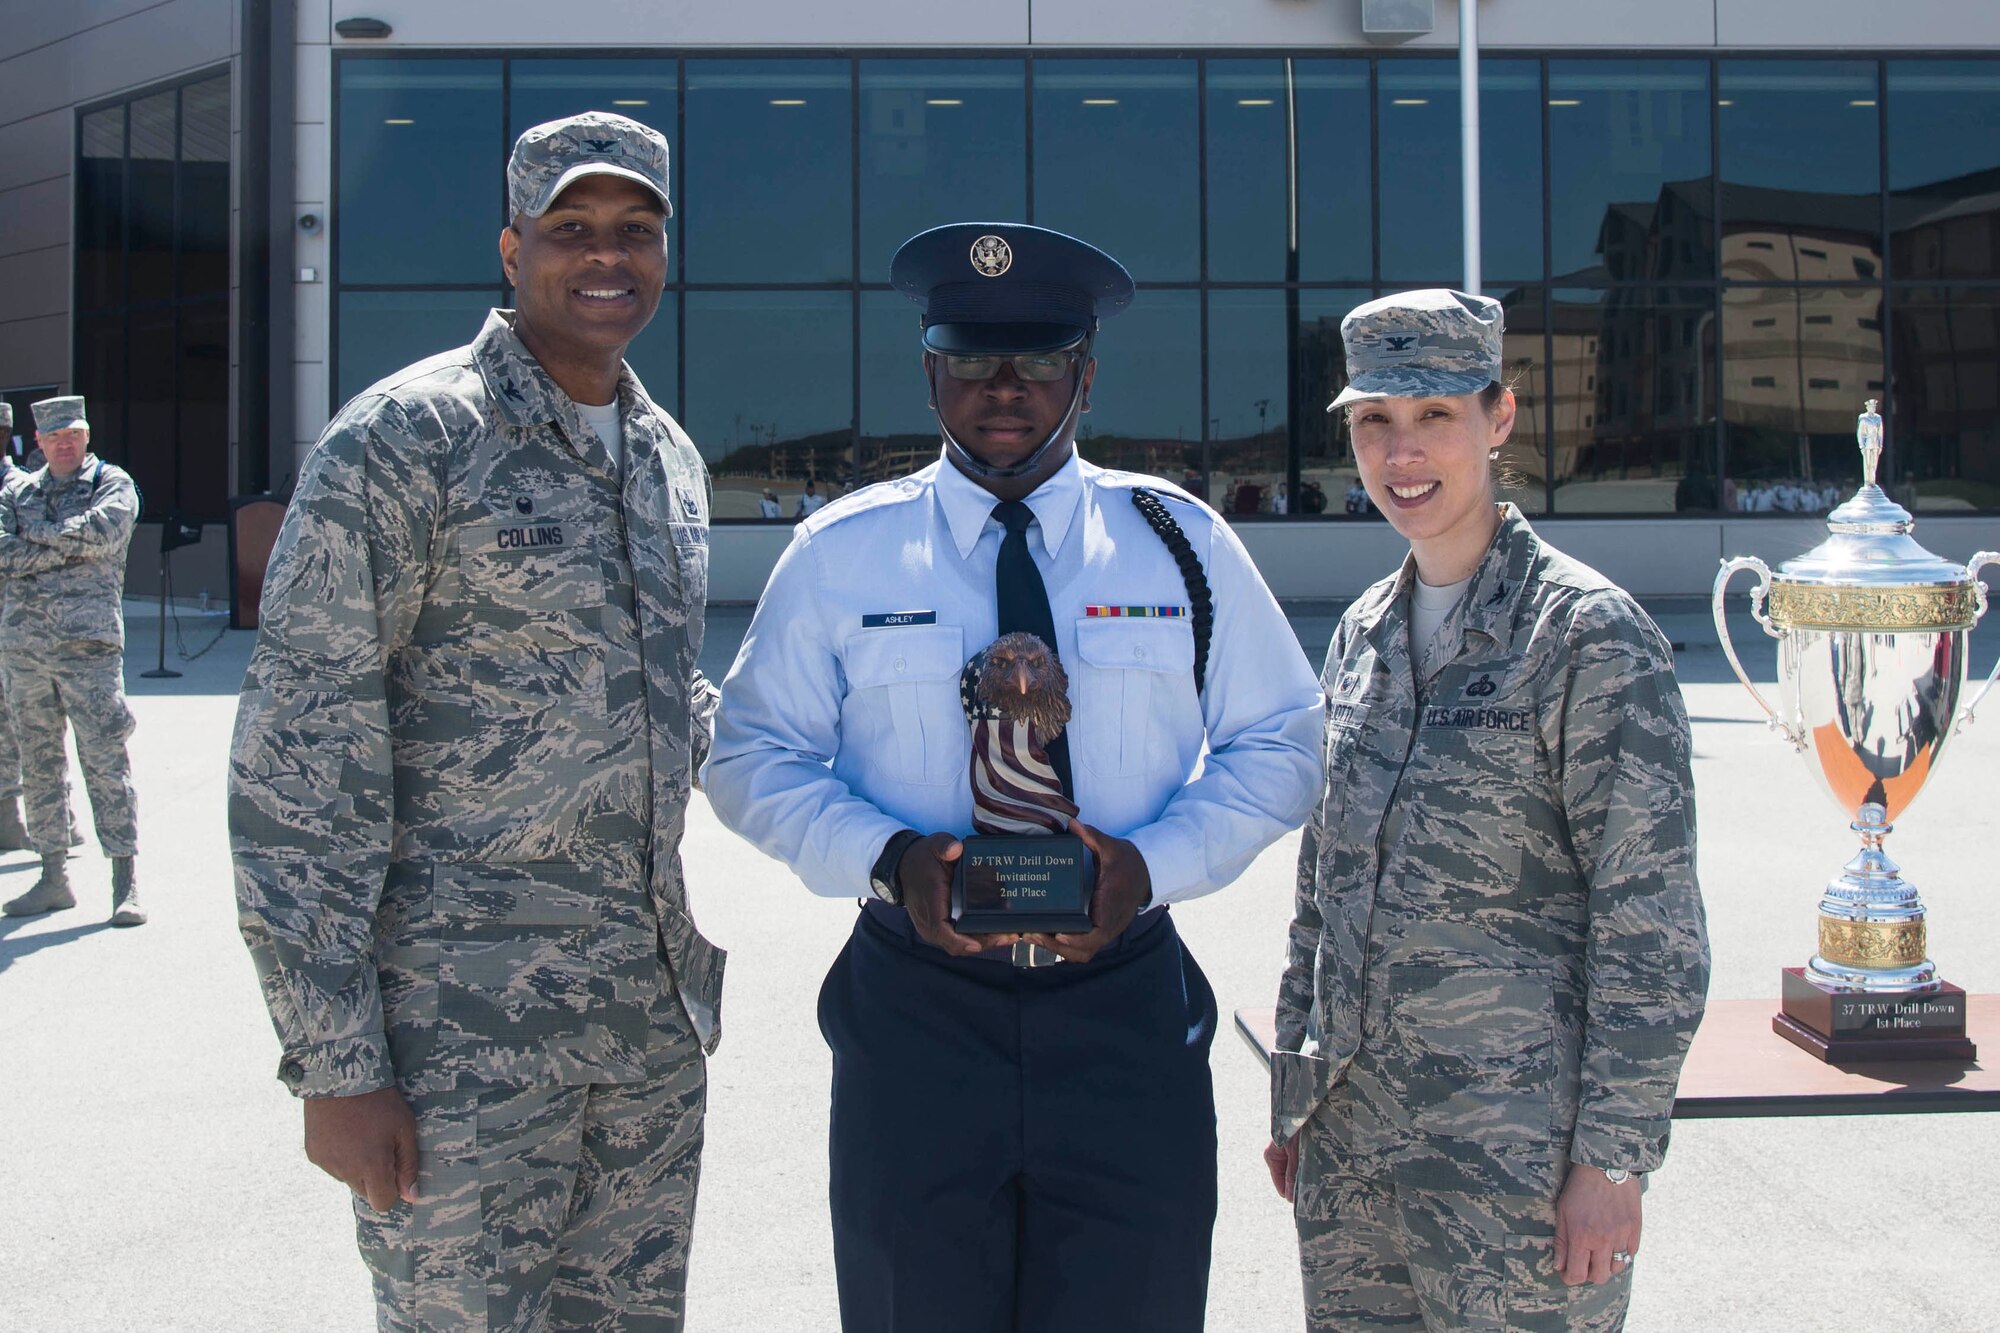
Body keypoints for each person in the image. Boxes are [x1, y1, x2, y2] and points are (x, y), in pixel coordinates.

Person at [705, 221, 1323, 1333]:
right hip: (915, 1014)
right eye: (971, 356)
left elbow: (1280, 738)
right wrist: (887, 860)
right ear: (929, 368)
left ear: (1084, 372)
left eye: (1038, 359)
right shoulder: (843, 552)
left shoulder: (1175, 542)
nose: (1004, 387)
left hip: (1123, 1011)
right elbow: (751, 755)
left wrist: (1156, 864)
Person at [230, 111, 723, 1331]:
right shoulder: (409, 440)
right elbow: (299, 764)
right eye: (571, 229)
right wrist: (337, 1068)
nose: (605, 255)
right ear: (512, 250)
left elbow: (664, 710)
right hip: (460, 1047)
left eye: (636, 230)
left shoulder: (667, 459)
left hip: (643, 1033)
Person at [1265, 290, 1710, 1331]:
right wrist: (1296, 1088)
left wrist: (1613, 1160)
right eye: (1374, 420)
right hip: (1352, 1159)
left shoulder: (1585, 636)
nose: (1401, 452)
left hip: (1515, 1171)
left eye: (1433, 417)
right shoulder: (1361, 634)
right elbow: (1321, 889)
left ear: (1498, 418)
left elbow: (1648, 924)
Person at [0, 395, 143, 925]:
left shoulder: (113, 484)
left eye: (74, 433)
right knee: (40, 766)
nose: (64, 442)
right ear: (37, 442)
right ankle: (52, 876)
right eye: (54, 436)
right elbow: (0, 552)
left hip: (89, 652)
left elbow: (105, 532)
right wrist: (68, 545)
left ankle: (125, 881)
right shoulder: (18, 491)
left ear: (86, 435)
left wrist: (31, 540)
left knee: (106, 761)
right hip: (24, 654)